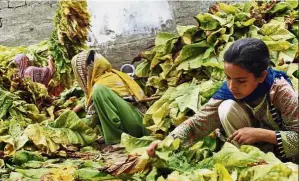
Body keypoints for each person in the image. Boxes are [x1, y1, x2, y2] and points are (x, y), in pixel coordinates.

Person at [147, 38, 298, 161]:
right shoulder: (229, 91)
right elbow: (198, 123)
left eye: (241, 81)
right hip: (258, 151)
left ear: (261, 76)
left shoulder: (279, 90)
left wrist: (259, 134)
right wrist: (167, 143)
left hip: (290, 155)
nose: (232, 86)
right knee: (226, 108)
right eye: (228, 77)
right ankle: (253, 161)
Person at [71, 50, 147, 144]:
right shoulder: (109, 76)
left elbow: (91, 120)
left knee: (98, 92)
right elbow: (87, 101)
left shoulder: (99, 88)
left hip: (134, 125)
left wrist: (69, 127)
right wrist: (75, 110)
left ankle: (116, 138)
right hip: (137, 119)